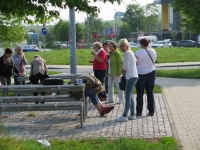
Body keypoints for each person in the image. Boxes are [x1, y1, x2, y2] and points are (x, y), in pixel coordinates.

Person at [115, 38, 138, 122]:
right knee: (130, 96)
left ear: (127, 45)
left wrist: (123, 70)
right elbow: (136, 61)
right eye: (120, 46)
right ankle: (132, 114)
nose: (122, 48)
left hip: (130, 76)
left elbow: (126, 66)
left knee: (127, 96)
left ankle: (124, 115)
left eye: (123, 46)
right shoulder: (131, 52)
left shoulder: (127, 53)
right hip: (133, 76)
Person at [135, 38, 157, 116]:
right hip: (151, 72)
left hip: (141, 73)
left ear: (141, 44)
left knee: (140, 93)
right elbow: (154, 60)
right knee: (150, 92)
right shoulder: (153, 51)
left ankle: (139, 111)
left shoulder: (138, 52)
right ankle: (151, 111)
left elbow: (135, 62)